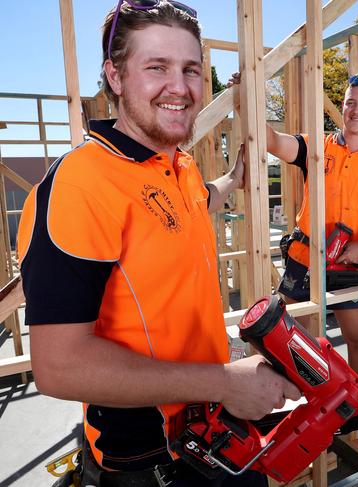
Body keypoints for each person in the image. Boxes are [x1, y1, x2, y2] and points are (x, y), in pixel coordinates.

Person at [18, 2, 300, 486]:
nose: (180, 86)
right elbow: (58, 367)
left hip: (211, 426)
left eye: (191, 69)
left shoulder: (179, 167)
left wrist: (233, 178)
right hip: (147, 458)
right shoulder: (81, 183)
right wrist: (226, 382)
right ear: (115, 76)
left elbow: (195, 202)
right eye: (156, 67)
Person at [229, 72, 358, 443]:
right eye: (350, 102)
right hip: (305, 257)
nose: (356, 110)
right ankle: (304, 408)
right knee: (287, 336)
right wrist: (247, 95)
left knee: (356, 338)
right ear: (342, 106)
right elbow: (272, 141)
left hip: (350, 263)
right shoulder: (316, 147)